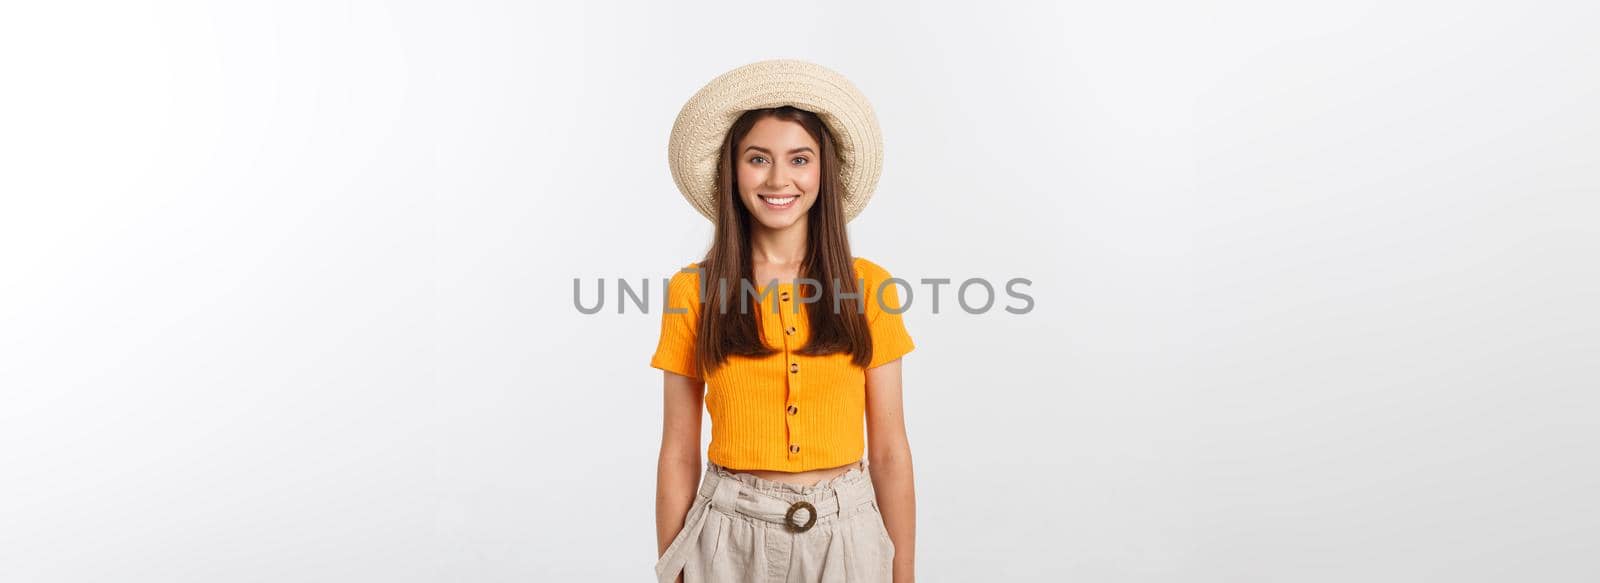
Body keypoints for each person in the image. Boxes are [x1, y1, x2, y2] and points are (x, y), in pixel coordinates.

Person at [651, 59, 917, 583]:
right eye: (758, 159)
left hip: (849, 536)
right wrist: (671, 571)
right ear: (733, 171)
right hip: (727, 539)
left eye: (799, 159)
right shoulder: (694, 291)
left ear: (824, 171)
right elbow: (678, 452)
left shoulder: (870, 288)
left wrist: (903, 573)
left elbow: (889, 450)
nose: (778, 179)